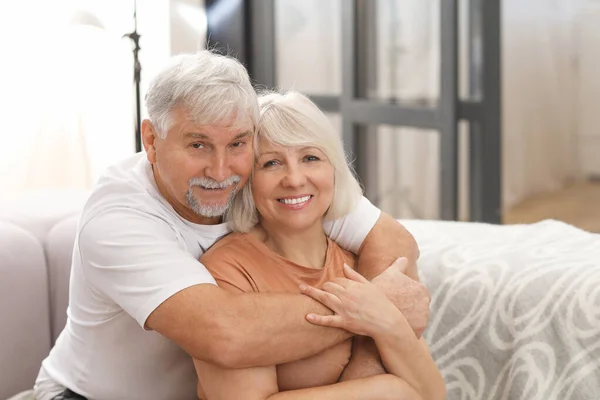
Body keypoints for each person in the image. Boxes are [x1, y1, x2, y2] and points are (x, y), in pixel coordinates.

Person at [24, 51, 428, 400]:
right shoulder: (118, 219)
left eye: (236, 143)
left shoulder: (264, 178)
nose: (220, 171)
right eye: (197, 144)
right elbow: (227, 335)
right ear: (151, 139)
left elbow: (390, 238)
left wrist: (368, 358)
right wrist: (376, 312)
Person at [194, 91, 445, 399]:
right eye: (271, 163)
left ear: (334, 168)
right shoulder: (228, 271)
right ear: (246, 179)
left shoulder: (362, 261)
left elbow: (433, 394)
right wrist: (391, 390)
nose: (295, 179)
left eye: (310, 158)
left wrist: (383, 317)